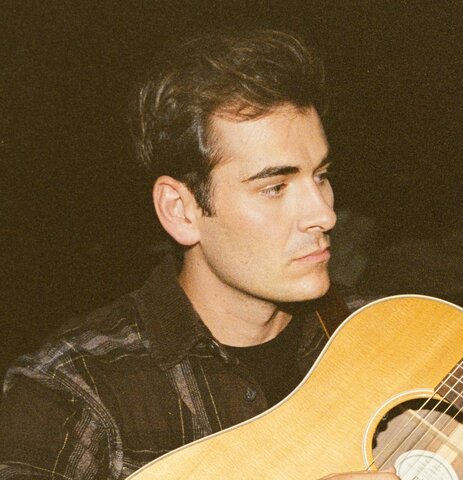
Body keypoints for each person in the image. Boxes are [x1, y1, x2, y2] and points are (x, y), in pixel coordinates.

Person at [0, 29, 398, 479]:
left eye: (320, 176)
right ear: (181, 210)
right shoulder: (75, 388)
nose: (324, 214)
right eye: (274, 187)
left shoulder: (392, 331)